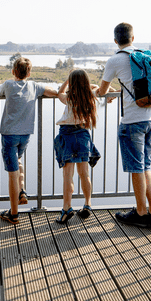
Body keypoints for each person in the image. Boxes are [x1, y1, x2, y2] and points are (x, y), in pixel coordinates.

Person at [97, 22, 151, 229]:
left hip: (133, 121)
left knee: (136, 168)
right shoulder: (147, 55)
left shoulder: (115, 59)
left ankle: (141, 213)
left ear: (116, 40)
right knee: (146, 166)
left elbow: (101, 91)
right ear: (133, 38)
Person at [0, 57, 57, 225]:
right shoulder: (34, 86)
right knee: (18, 159)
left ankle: (13, 214)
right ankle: (22, 191)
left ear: (13, 71)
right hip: (25, 136)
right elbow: (53, 92)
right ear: (29, 73)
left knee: (12, 173)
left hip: (9, 135)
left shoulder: (8, 85)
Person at [53, 69, 100, 224]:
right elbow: (107, 89)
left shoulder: (68, 98)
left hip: (67, 135)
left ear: (71, 83)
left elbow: (59, 92)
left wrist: (67, 80)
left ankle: (67, 209)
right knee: (84, 174)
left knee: (68, 175)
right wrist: (88, 85)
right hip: (82, 134)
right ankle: (87, 204)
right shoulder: (90, 96)